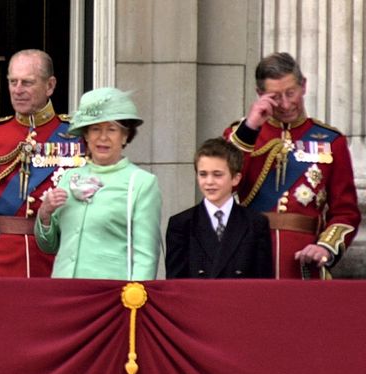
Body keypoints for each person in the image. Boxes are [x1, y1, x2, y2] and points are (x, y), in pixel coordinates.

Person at [224, 52, 361, 279]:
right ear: (260, 95)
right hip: (250, 257)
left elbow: (345, 211)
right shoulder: (242, 134)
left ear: (303, 86)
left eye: (291, 93)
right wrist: (250, 127)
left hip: (302, 262)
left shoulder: (331, 141)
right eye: (276, 97)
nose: (286, 104)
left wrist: (325, 247)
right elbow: (224, 187)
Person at [0, 49, 84, 278]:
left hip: (58, 255)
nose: (17, 90)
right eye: (13, 81)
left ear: (49, 86)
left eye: (27, 83)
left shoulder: (76, 135)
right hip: (1, 258)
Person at [34, 87, 161, 280]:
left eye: (111, 129)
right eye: (95, 129)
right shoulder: (69, 177)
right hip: (64, 290)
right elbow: (48, 246)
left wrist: (136, 299)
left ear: (125, 136)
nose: (103, 137)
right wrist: (45, 214)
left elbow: (146, 255)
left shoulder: (142, 183)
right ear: (85, 135)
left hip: (110, 295)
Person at [166, 137, 273, 278]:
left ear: (236, 178)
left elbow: (262, 284)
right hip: (198, 299)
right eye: (203, 174)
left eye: (217, 175)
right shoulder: (181, 224)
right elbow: (176, 284)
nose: (209, 182)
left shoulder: (256, 223)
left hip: (238, 299)